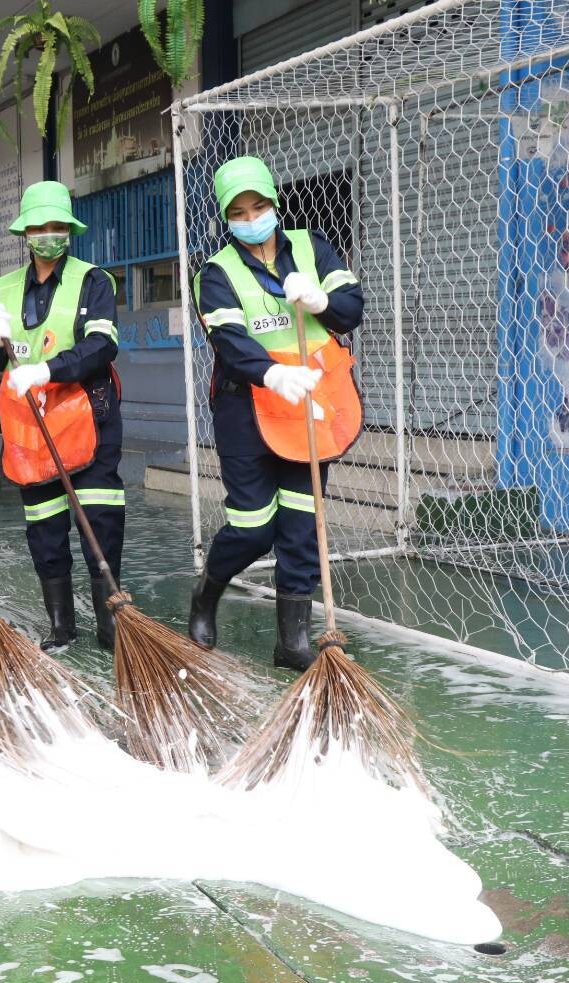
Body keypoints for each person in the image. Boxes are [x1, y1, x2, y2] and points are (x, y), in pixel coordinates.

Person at [186, 156, 364, 669]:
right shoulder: (215, 272)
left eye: (258, 205)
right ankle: (208, 591)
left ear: (273, 203)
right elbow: (228, 338)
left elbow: (351, 307)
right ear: (226, 216)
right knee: (251, 527)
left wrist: (319, 301)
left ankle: (292, 642)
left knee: (301, 524)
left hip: (312, 400)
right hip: (248, 407)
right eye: (238, 211)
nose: (251, 217)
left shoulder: (312, 248)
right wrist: (272, 374)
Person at [0, 181, 124, 651]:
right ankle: (61, 626)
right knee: (45, 528)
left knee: (99, 520)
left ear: (69, 230)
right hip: (32, 430)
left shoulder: (93, 281)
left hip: (89, 419)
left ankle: (112, 624)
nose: (48, 234)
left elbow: (103, 345)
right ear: (25, 231)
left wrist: (47, 370)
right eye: (39, 226)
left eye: (56, 226)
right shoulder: (2, 290)